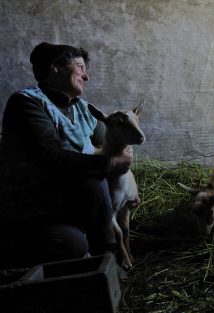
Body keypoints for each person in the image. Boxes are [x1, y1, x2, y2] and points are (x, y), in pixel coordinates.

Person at [0, 42, 133, 268]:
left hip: (66, 203)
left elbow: (113, 146)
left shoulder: (82, 109)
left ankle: (104, 257)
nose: (86, 76)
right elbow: (52, 157)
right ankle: (108, 255)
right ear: (56, 67)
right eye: (80, 67)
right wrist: (110, 163)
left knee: (93, 185)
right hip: (31, 207)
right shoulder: (26, 103)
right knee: (73, 243)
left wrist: (129, 184)